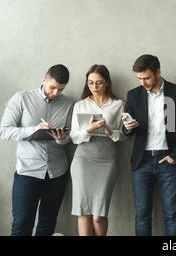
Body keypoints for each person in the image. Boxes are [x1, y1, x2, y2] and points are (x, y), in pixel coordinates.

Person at [0, 64, 74, 236]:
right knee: (21, 225)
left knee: (47, 224)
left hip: (57, 172)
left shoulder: (69, 104)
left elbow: (71, 136)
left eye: (60, 89)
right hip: (28, 171)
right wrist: (33, 130)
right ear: (44, 80)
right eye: (52, 87)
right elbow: (4, 130)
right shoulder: (21, 98)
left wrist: (62, 139)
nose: (55, 92)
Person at [122, 54, 176, 236]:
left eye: (147, 77)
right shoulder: (133, 95)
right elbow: (126, 129)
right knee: (142, 215)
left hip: (168, 161)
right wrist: (127, 127)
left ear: (158, 72)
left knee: (172, 215)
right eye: (140, 78)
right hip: (141, 161)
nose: (143, 82)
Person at [69, 64, 126, 236]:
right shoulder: (80, 105)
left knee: (98, 216)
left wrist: (109, 131)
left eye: (99, 83)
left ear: (107, 83)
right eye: (90, 83)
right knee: (83, 213)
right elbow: (73, 136)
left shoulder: (119, 104)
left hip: (107, 160)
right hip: (82, 160)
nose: (94, 87)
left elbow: (125, 135)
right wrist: (89, 129)